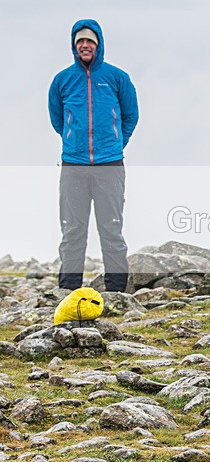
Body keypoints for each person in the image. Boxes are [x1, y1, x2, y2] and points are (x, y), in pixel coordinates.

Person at [48, 19, 139, 291]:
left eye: (90, 41)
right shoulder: (62, 80)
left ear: (98, 45)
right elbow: (57, 120)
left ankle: (116, 292)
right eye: (80, 42)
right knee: (72, 231)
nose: (85, 46)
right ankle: (68, 289)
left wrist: (115, 144)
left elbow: (130, 115)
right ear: (74, 46)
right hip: (73, 166)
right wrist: (72, 141)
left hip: (109, 164)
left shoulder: (117, 77)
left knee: (111, 228)